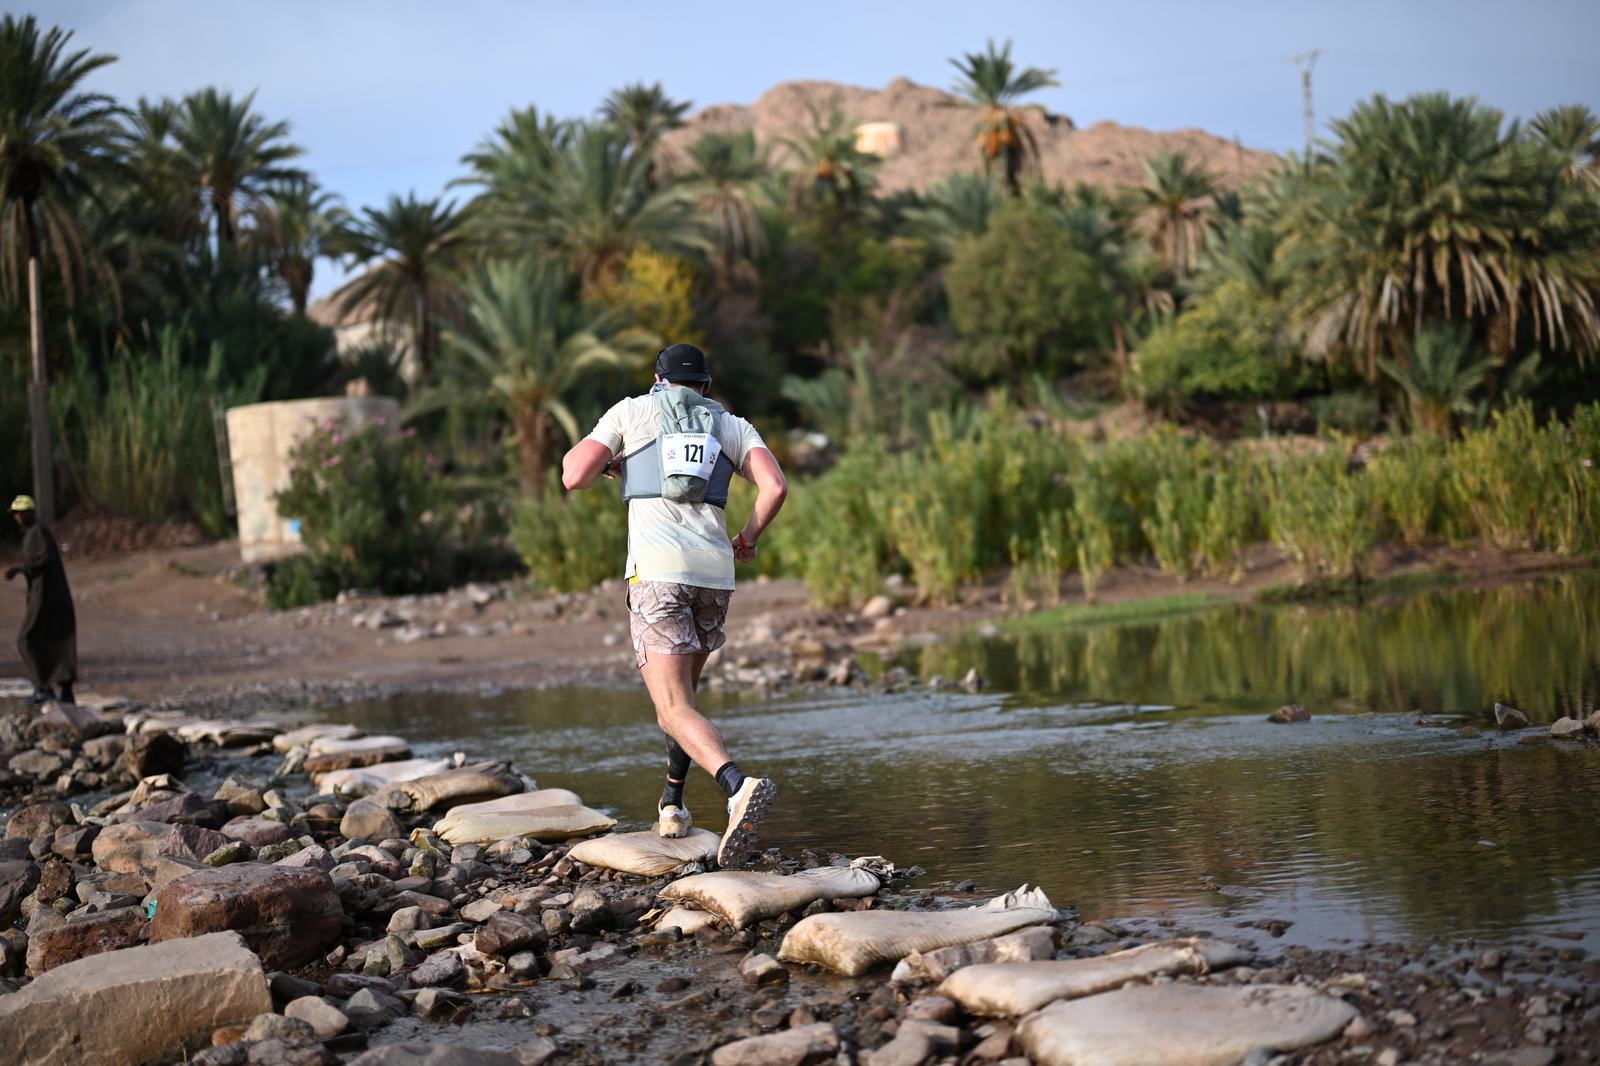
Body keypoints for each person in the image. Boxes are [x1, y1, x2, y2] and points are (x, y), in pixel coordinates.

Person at [562, 343, 788, 868]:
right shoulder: (731, 425)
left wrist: (616, 460)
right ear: (705, 387)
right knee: (684, 700)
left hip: (658, 574)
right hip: (714, 574)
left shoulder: (633, 410)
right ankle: (672, 803)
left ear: (658, 380)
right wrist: (749, 536)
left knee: (673, 707)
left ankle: (735, 786)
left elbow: (573, 474)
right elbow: (774, 486)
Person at [4, 495, 77, 705]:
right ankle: (62, 692)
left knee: (26, 639)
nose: (17, 517)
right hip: (46, 596)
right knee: (53, 638)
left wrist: (20, 569)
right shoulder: (31, 534)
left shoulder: (37, 532)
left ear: (30, 512)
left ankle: (43, 688)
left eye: (21, 512)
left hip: (46, 597)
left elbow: (44, 561)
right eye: (15, 513)